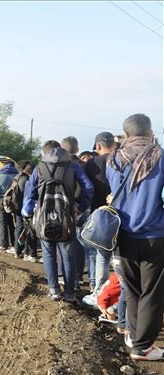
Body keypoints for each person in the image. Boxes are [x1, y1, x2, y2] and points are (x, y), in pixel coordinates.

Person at [105, 113, 164, 361]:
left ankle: (136, 338)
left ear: (126, 135)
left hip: (123, 236)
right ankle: (142, 346)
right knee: (152, 292)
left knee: (133, 289)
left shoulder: (113, 160)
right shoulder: (160, 157)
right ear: (150, 134)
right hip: (155, 235)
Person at [22, 140, 94, 304]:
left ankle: (54, 290)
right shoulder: (73, 166)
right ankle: (69, 294)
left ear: (45, 153)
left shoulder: (39, 168)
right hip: (66, 217)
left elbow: (30, 193)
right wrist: (79, 207)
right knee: (68, 256)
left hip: (44, 217)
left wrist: (28, 212)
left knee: (48, 254)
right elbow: (88, 187)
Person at [81, 132, 117, 306]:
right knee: (120, 259)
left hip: (100, 215)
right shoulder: (122, 161)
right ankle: (118, 298)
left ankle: (98, 290)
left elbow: (86, 189)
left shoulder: (92, 164)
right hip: (122, 214)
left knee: (102, 254)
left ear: (98, 146)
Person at [61, 136, 88, 290]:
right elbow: (88, 187)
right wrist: (82, 206)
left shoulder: (59, 165)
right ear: (77, 149)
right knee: (80, 242)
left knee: (64, 243)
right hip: (80, 208)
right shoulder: (85, 165)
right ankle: (77, 276)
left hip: (63, 208)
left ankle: (66, 277)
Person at [12, 160, 38, 262]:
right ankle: (30, 253)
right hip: (35, 209)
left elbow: (27, 198)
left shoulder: (26, 181)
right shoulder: (34, 180)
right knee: (31, 232)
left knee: (28, 231)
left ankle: (28, 253)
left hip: (26, 209)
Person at [0, 159, 19, 251]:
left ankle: (4, 244)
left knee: (2, 223)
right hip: (14, 201)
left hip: (1, 200)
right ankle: (14, 244)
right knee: (13, 223)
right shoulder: (17, 175)